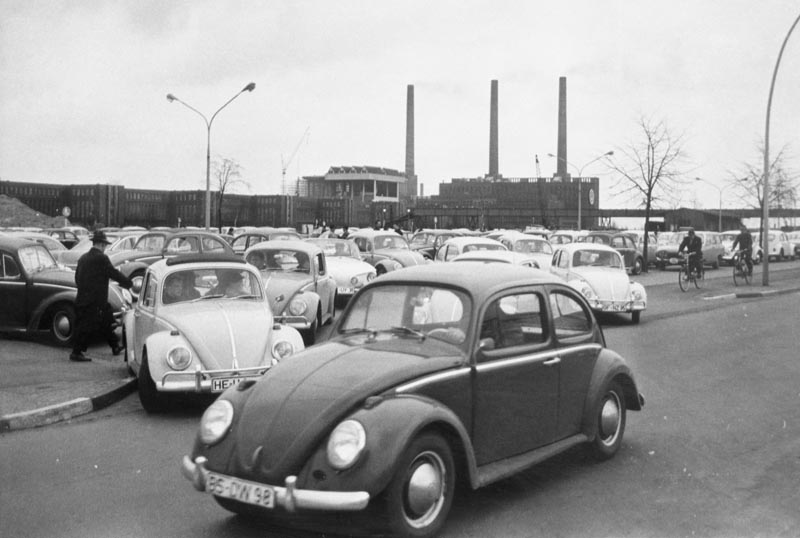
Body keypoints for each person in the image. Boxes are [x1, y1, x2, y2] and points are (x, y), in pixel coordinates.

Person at [70, 230, 133, 362]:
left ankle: (115, 346)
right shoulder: (101, 258)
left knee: (106, 321)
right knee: (86, 326)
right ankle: (76, 352)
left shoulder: (83, 258)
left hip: (84, 298)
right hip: (95, 300)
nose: (105, 248)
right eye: (104, 245)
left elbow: (77, 278)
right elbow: (113, 273)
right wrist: (128, 283)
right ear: (101, 244)